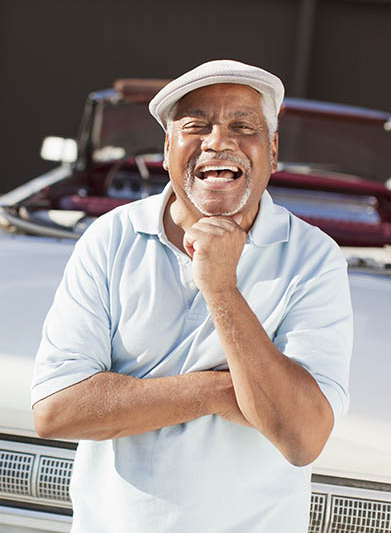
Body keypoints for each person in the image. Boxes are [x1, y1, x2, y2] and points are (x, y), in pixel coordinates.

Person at [30, 60, 353, 532]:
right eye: (196, 125)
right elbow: (57, 410)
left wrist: (221, 288)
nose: (219, 142)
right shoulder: (112, 237)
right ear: (167, 148)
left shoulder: (313, 258)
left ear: (273, 150)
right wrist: (223, 389)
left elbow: (302, 435)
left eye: (243, 126)